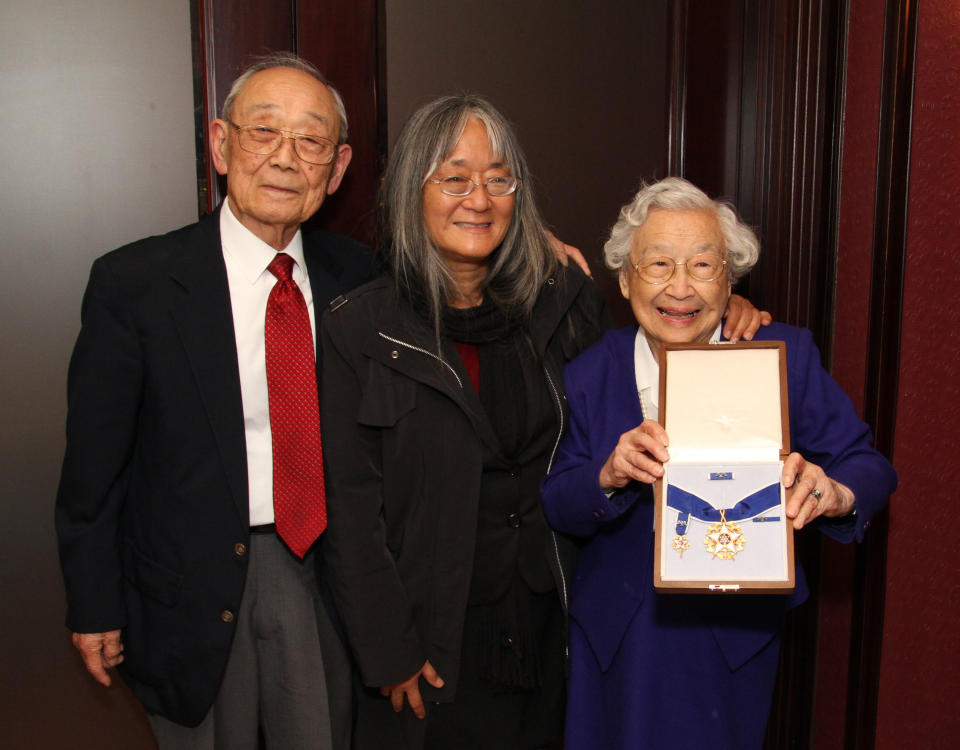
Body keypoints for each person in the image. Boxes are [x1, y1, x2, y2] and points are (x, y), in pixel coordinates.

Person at [319, 99, 768, 750]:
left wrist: (721, 309)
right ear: (411, 188)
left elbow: (638, 382)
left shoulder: (564, 298)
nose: (479, 197)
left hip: (555, 624)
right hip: (431, 640)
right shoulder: (360, 327)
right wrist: (387, 648)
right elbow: (351, 511)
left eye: (498, 178)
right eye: (454, 178)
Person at [55, 53, 370, 749]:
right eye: (265, 132)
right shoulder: (134, 284)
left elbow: (460, 281)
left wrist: (535, 250)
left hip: (321, 573)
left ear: (337, 168)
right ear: (223, 145)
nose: (286, 158)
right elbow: (93, 468)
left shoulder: (364, 279)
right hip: (186, 585)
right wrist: (92, 601)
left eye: (311, 141)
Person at [540, 177, 898, 749]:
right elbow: (558, 499)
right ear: (626, 278)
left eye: (703, 265)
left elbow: (868, 465)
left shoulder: (778, 356)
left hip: (731, 637)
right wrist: (606, 475)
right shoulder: (589, 371)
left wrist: (834, 492)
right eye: (658, 264)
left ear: (729, 278)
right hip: (616, 634)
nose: (680, 287)